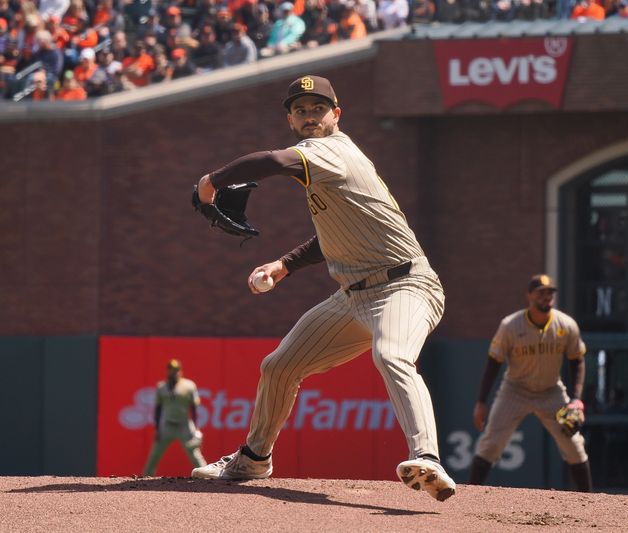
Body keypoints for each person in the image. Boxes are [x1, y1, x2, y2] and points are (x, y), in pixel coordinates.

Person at [190, 75, 456, 502]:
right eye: (301, 110)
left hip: (406, 285)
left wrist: (211, 182)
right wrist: (284, 266)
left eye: (318, 108)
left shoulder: (330, 150)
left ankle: (428, 458)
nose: (310, 115)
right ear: (290, 118)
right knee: (279, 367)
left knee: (391, 354)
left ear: (337, 114)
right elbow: (334, 238)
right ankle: (254, 459)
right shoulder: (324, 166)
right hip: (353, 296)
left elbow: (273, 162)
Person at [467, 274, 592, 492]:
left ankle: (589, 500)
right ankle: (468, 497)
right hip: (515, 391)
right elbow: (493, 363)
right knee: (490, 444)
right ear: (529, 296)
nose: (546, 297)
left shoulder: (566, 325)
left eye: (550, 293)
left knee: (574, 447)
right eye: (541, 293)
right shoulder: (510, 326)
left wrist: (575, 399)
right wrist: (481, 402)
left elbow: (577, 361)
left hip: (551, 392)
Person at [143, 359, 207, 476]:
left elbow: (194, 408)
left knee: (195, 454)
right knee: (155, 454)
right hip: (167, 425)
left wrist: (196, 428)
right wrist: (157, 429)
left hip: (184, 424)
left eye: (176, 370)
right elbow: (158, 409)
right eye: (172, 370)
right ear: (168, 372)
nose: (174, 373)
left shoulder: (189, 385)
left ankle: (207, 477)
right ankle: (145, 479)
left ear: (180, 371)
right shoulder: (161, 387)